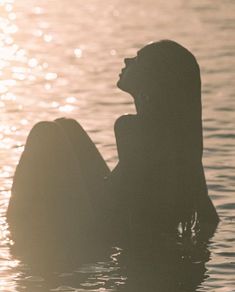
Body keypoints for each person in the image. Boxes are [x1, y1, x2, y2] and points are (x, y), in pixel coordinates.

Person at [7, 40, 219, 251]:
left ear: (153, 79)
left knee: (45, 132)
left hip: (99, 230)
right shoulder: (178, 139)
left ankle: (17, 225)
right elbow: (206, 212)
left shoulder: (131, 128)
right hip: (114, 220)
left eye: (138, 59)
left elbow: (125, 206)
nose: (128, 60)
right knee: (67, 126)